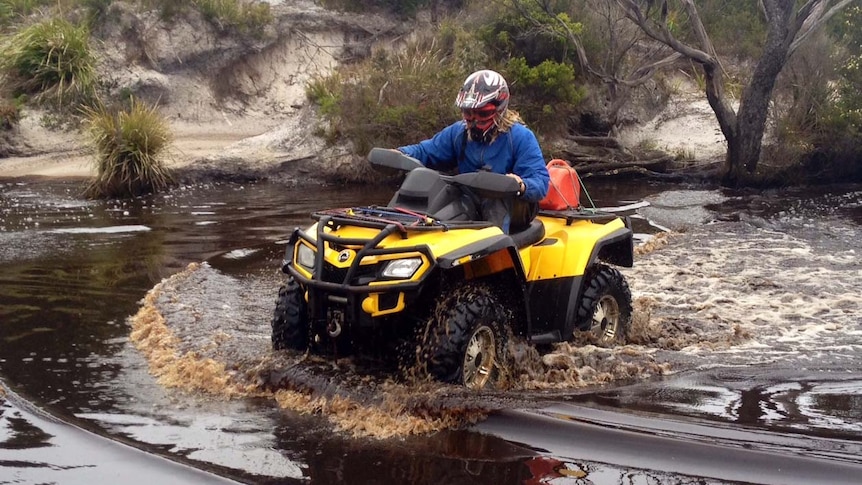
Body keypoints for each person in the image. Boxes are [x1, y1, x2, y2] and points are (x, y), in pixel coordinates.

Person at [397, 69, 550, 234]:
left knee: (495, 200)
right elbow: (425, 151)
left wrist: (521, 185)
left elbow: (540, 182)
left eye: (482, 113)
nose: (474, 120)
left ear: (499, 109)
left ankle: (496, 252)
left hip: (514, 206)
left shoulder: (520, 137)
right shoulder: (458, 133)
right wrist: (400, 153)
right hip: (470, 200)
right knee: (446, 190)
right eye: (468, 113)